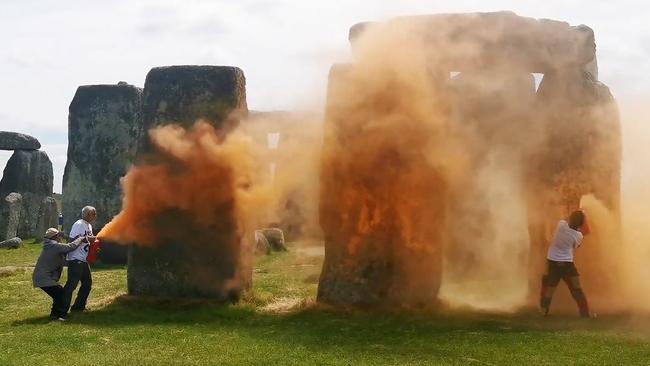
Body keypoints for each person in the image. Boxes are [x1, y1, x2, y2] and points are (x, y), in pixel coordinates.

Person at [540, 209, 591, 317]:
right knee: (576, 289)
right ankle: (585, 314)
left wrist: (577, 213)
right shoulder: (578, 236)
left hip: (552, 262)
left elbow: (566, 218)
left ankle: (543, 312)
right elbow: (576, 246)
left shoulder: (561, 225)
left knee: (549, 289)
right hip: (567, 265)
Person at [32, 228, 84, 321]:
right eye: (59, 235)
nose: (61, 237)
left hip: (42, 277)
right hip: (43, 278)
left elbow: (62, 261)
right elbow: (70, 247)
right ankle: (58, 316)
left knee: (58, 294)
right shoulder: (53, 246)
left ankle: (54, 315)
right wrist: (80, 238)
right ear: (55, 237)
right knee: (60, 294)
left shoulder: (51, 246)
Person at [61, 206, 97, 315]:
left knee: (87, 283)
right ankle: (61, 309)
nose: (95, 216)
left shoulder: (89, 226)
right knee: (71, 285)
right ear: (86, 214)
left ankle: (78, 307)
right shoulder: (79, 224)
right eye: (93, 213)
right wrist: (86, 239)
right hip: (75, 259)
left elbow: (87, 240)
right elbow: (71, 241)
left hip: (83, 259)